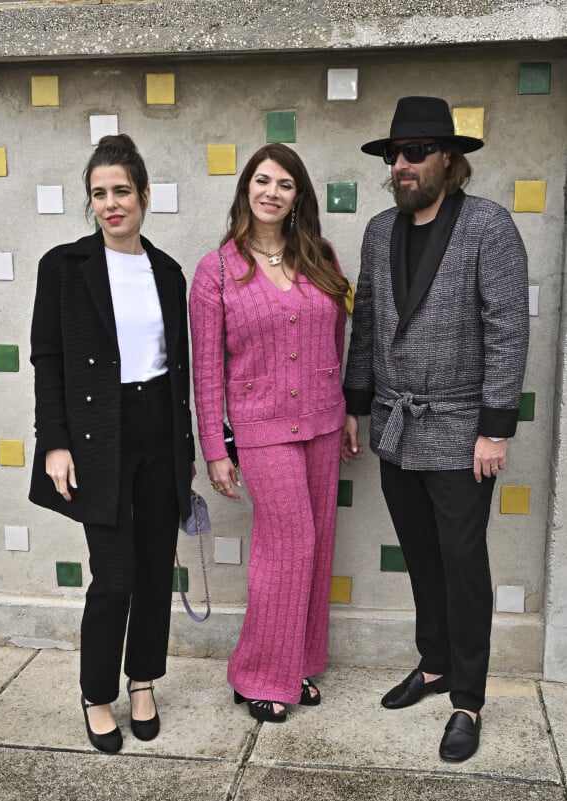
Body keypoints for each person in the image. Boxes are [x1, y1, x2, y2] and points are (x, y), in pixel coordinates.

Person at [342, 96, 529, 762]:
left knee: (461, 561)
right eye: (395, 154)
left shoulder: (488, 226)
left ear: (449, 159)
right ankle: (433, 661)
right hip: (395, 423)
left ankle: (468, 697)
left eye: (416, 151)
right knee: (421, 554)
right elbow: (366, 321)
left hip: (459, 427)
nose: (402, 164)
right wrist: (355, 403)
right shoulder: (377, 230)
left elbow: (507, 330)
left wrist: (495, 427)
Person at [29, 134, 195, 753]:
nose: (110, 204)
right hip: (100, 433)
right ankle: (97, 693)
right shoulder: (63, 267)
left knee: (155, 572)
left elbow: (178, 372)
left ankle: (143, 680)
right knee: (115, 575)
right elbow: (48, 359)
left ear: (144, 195)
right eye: (99, 194)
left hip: (159, 429)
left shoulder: (169, 272)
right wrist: (55, 442)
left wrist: (188, 452)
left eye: (121, 191)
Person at [190, 143, 350, 722]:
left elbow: (336, 341)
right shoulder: (219, 269)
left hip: (325, 423)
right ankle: (257, 673)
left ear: (297, 195)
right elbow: (207, 371)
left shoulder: (321, 255)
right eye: (262, 181)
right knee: (289, 545)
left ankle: (296, 665)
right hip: (262, 431)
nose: (272, 192)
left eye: (284, 183)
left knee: (318, 543)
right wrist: (215, 449)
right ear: (246, 190)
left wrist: (347, 408)